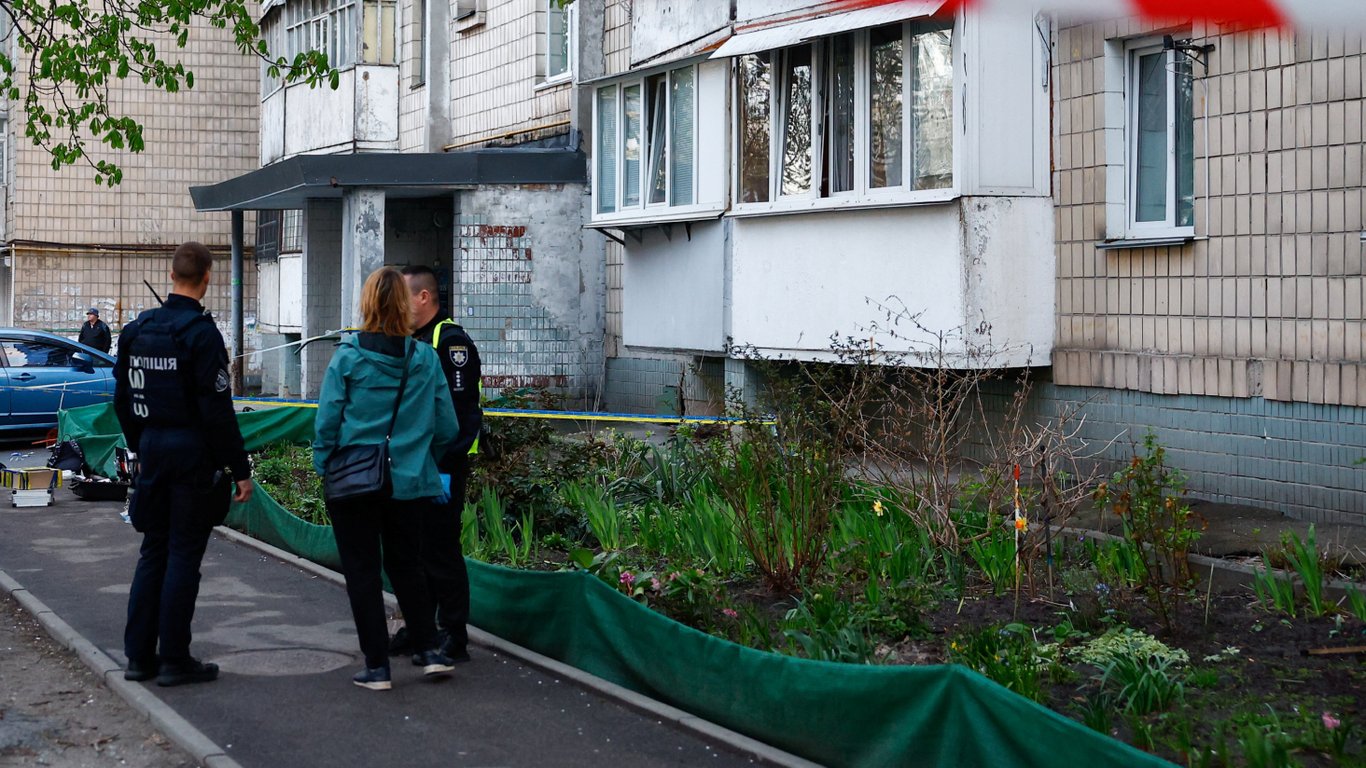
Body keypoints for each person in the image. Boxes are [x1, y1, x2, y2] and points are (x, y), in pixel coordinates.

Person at [114, 242, 253, 687]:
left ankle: (139, 658)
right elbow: (217, 411)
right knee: (183, 555)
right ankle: (175, 659)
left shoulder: (137, 329)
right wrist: (240, 469)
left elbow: (122, 400)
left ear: (172, 275)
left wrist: (141, 446)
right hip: (191, 456)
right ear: (207, 276)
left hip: (152, 450)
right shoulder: (201, 334)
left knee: (153, 550)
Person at [314, 266, 460, 691]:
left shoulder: (349, 356)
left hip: (354, 482)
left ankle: (377, 667)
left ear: (368, 303)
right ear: (403, 304)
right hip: (408, 482)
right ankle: (429, 651)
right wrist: (418, 457)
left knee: (362, 571)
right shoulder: (425, 358)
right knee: (407, 566)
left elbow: (327, 421)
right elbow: (447, 427)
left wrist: (325, 465)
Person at [391, 265, 482, 663]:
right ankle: (420, 629)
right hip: (417, 464)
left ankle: (454, 635)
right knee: (416, 549)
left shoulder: (450, 342)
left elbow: (461, 413)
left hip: (444, 465)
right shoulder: (415, 340)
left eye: (403, 298)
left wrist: (444, 466)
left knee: (441, 550)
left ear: (423, 297)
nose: (398, 306)